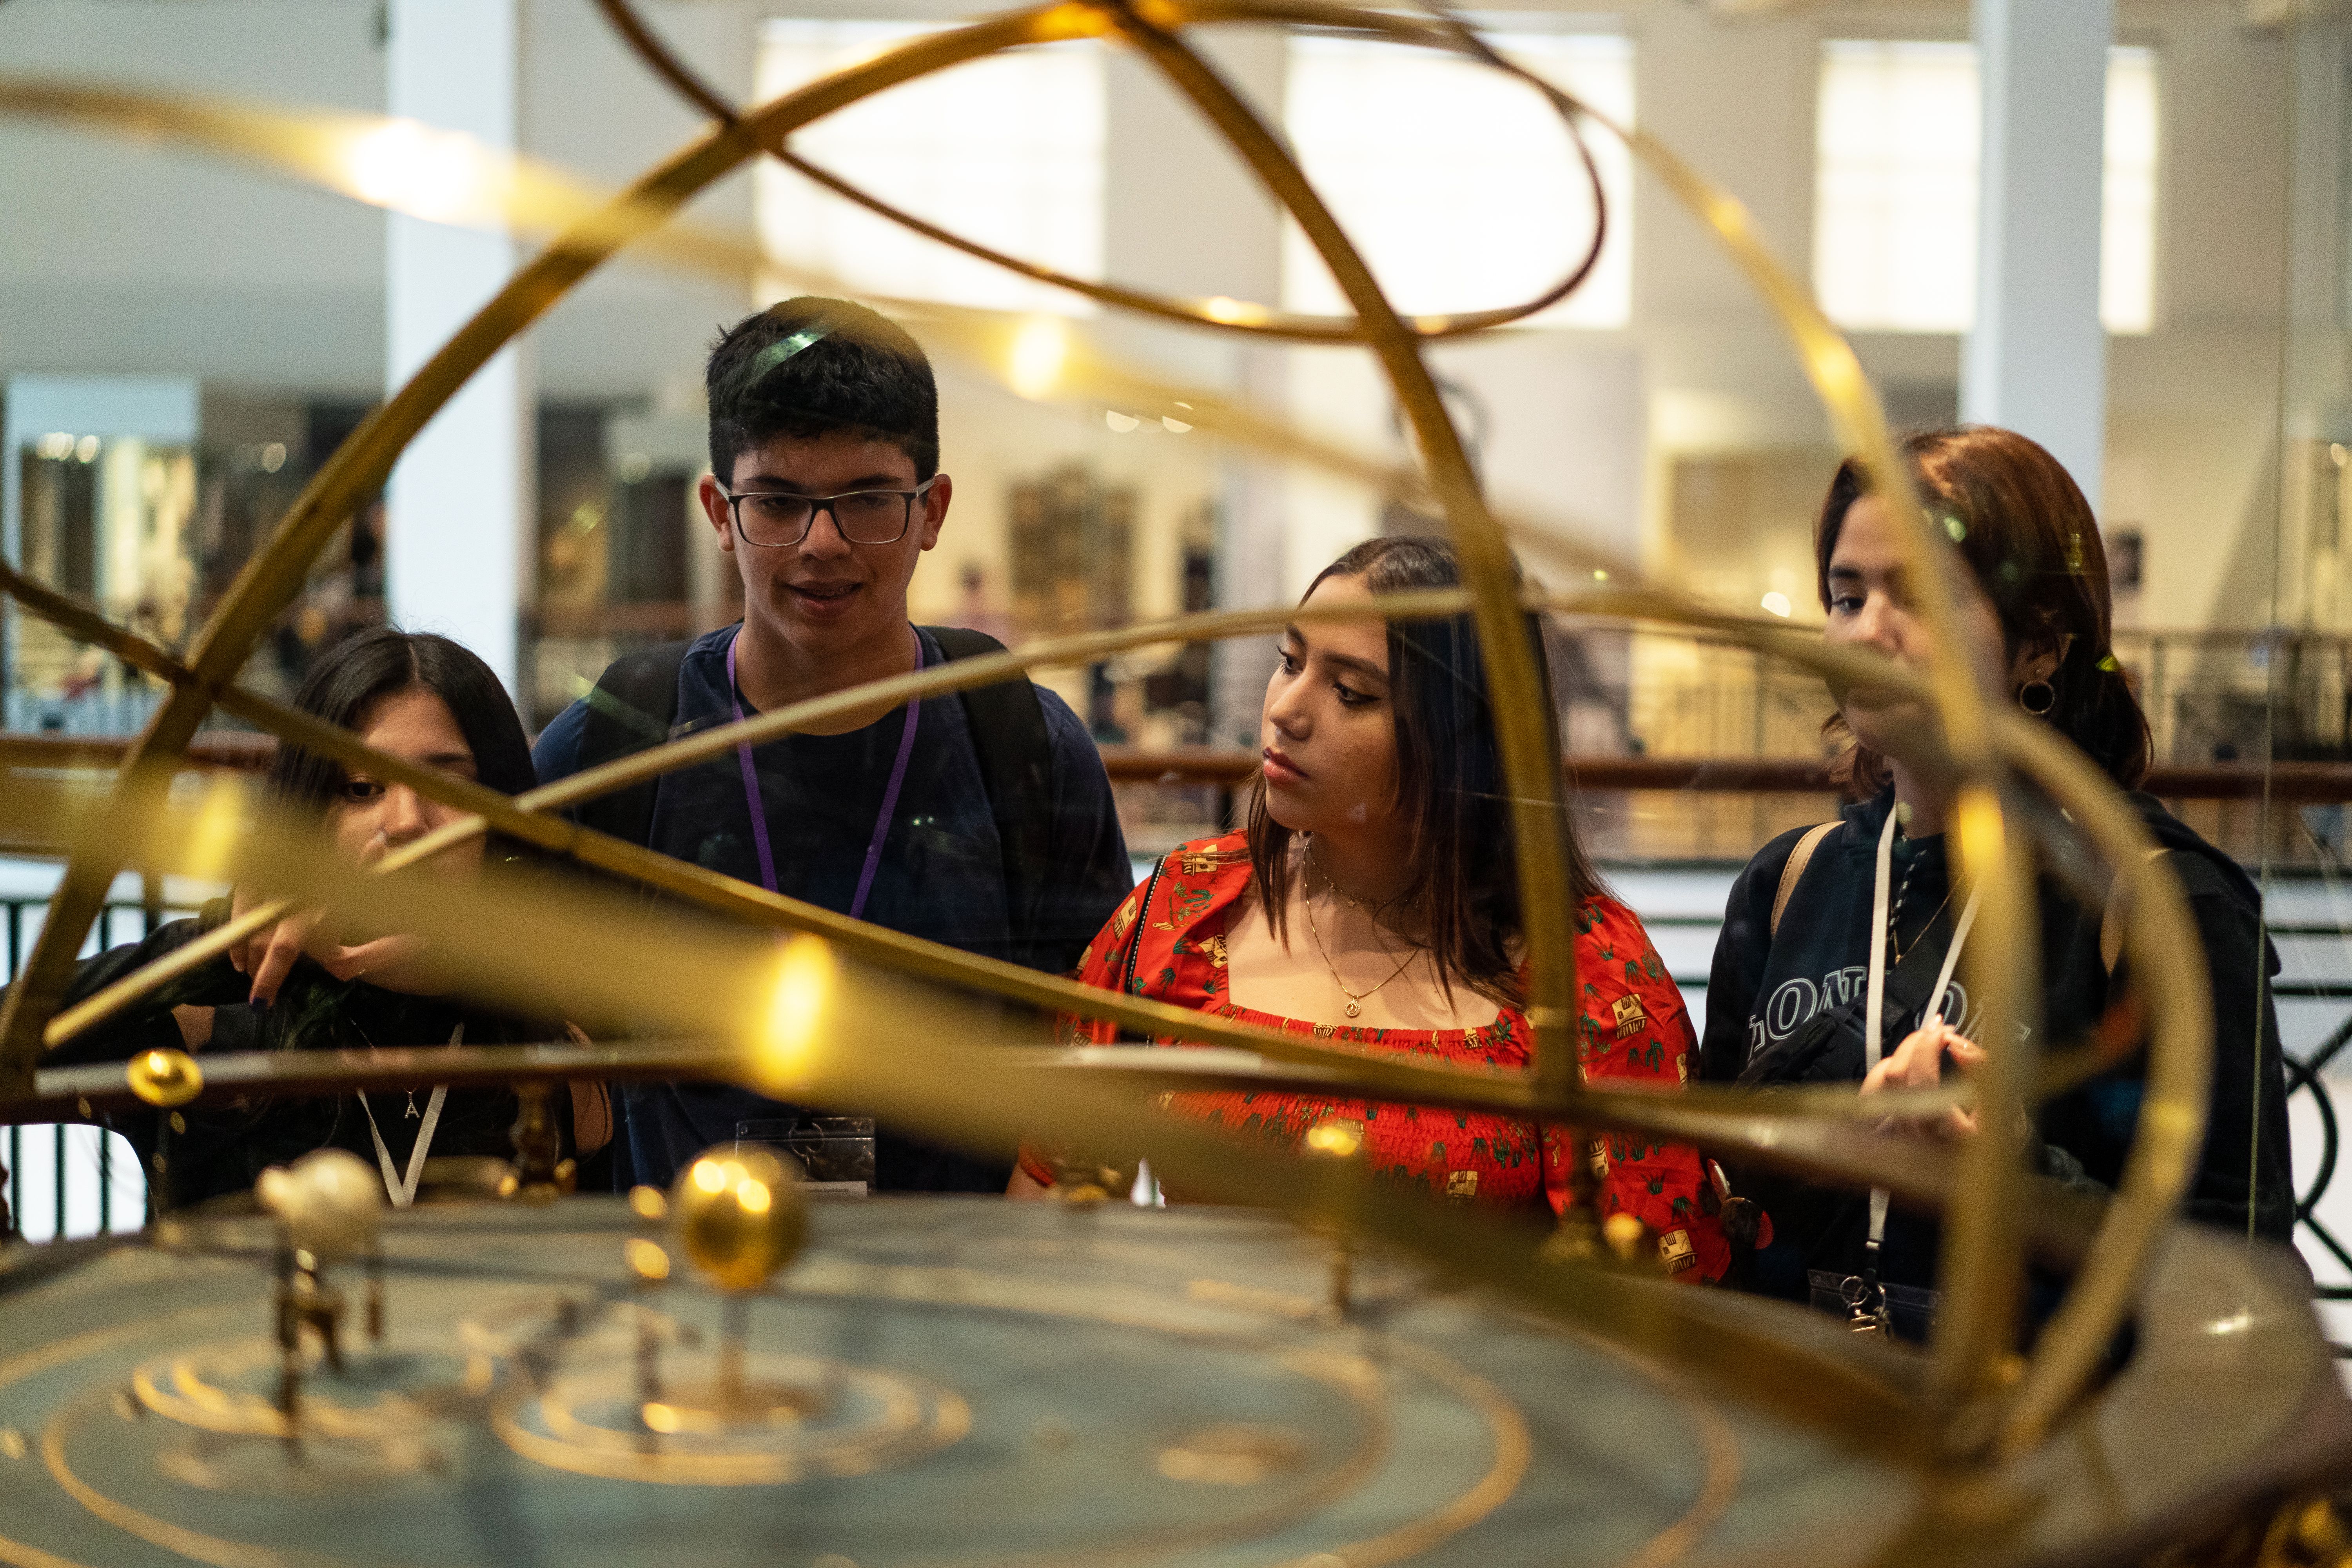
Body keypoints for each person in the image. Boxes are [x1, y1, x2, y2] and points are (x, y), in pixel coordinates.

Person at [1698, 425, 2294, 1334]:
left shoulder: (2163, 906)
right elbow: (1712, 1206)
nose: (1868, 631)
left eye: (1921, 596)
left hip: (2043, 1447)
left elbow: (2236, 1280)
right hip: (1807, 1423)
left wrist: (2018, 1167)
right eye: (1846, 596)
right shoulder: (1788, 882)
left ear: (2041, 646)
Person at [533, 297, 1132, 1194]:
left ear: (931, 510)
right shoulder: (624, 737)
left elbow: (1103, 1031)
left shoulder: (1023, 743)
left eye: (867, 501)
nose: (823, 543)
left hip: (963, 1290)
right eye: (778, 501)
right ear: (719, 509)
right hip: (681, 1289)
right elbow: (455, 924)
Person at [1014, 537, 1728, 1282]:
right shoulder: (1184, 907)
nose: (1286, 711)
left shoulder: (1594, 977)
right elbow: (1050, 1191)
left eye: (1351, 693)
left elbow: (1661, 1302)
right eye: (1289, 663)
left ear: (1465, 739)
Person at [43, 626, 608, 1209]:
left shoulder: (553, 1048)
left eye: (448, 784)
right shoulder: (212, 1022)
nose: (407, 821)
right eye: (362, 789)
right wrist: (227, 945)